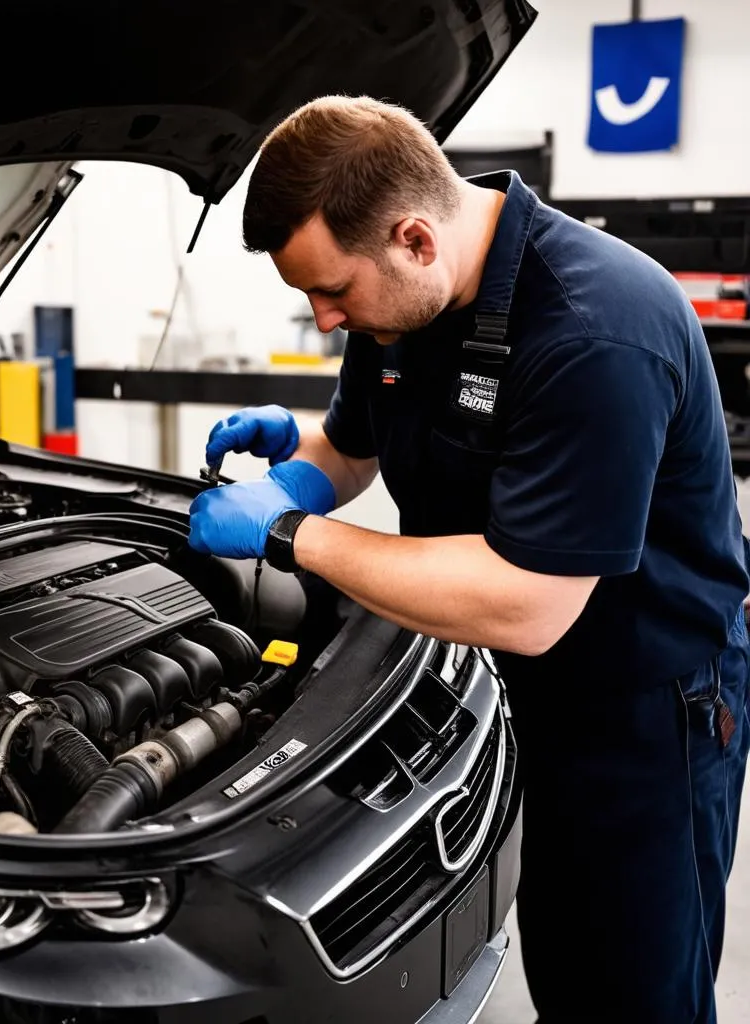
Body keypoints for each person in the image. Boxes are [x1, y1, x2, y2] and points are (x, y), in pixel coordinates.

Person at [187, 95, 750, 1024]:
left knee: (638, 989)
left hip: (647, 715)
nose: (323, 320)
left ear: (414, 236)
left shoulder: (594, 329)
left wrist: (291, 535)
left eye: (332, 291)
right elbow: (353, 448)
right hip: (524, 692)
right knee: (567, 954)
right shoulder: (407, 302)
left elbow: (527, 605)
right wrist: (291, 478)